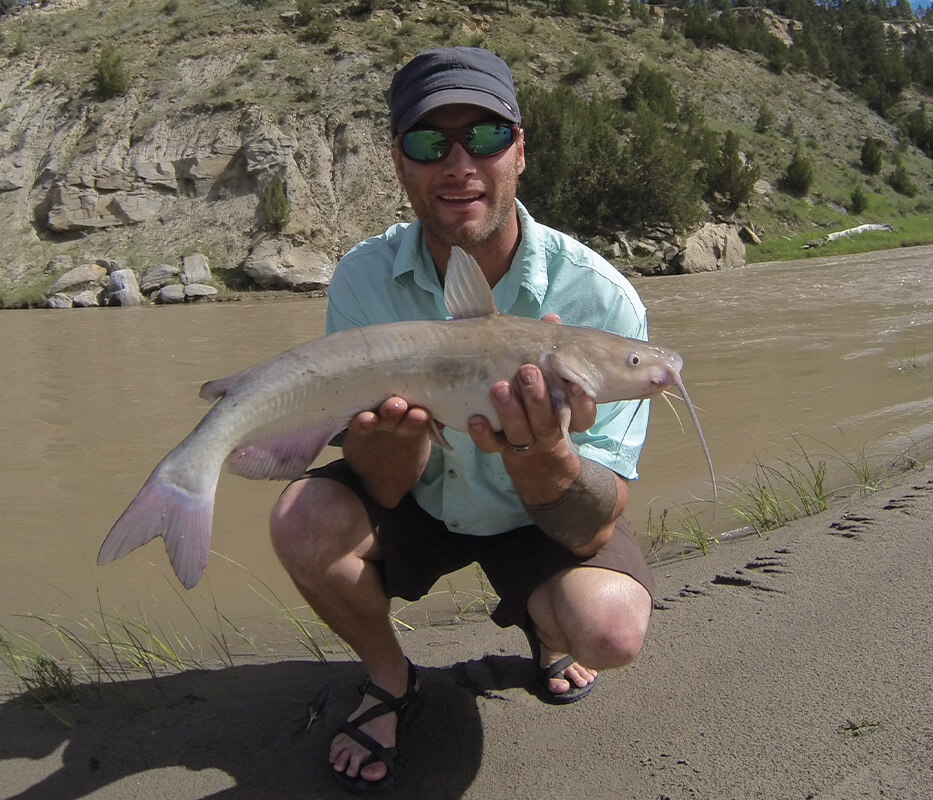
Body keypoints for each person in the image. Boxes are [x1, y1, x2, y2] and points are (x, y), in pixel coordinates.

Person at [268, 46, 657, 793]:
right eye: (427, 142)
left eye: (483, 136)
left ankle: (546, 628)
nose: (458, 163)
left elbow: (592, 527)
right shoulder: (361, 278)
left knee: (607, 627)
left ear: (520, 150)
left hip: (536, 515)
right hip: (416, 495)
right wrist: (393, 443)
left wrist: (543, 455)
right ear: (398, 163)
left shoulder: (602, 303)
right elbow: (380, 487)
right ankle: (389, 678)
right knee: (301, 518)